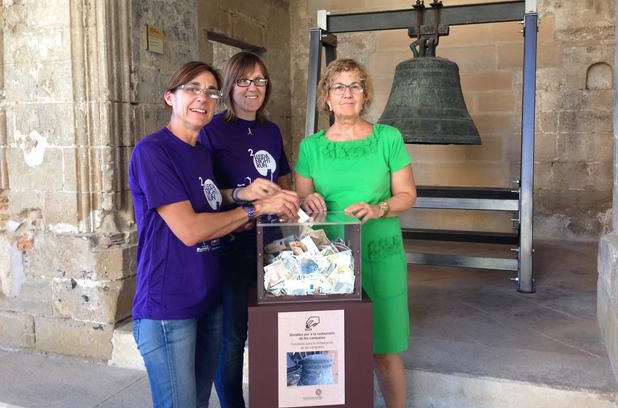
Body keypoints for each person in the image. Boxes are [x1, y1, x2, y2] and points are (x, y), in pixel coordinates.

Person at [128, 61, 298, 408]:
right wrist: (254, 209)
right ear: (170, 97)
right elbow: (190, 230)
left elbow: (208, 198)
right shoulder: (153, 151)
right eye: (192, 89)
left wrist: (242, 194)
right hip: (169, 306)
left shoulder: (200, 153)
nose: (202, 98)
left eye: (210, 92)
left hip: (208, 299)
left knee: (200, 402)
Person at [295, 58, 417, 408]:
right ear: (327, 97)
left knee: (385, 348)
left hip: (380, 253)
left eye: (355, 86)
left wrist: (379, 208)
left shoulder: (388, 138)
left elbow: (407, 194)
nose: (347, 93)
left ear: (365, 94)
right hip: (328, 260)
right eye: (339, 86)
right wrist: (307, 199)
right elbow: (302, 201)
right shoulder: (311, 147)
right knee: (332, 344)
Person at [199, 52, 291, 408]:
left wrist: (290, 202)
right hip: (231, 245)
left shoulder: (272, 131)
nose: (253, 88)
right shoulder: (211, 130)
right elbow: (205, 195)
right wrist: (242, 195)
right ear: (229, 86)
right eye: (243, 81)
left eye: (260, 80)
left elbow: (282, 182)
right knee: (233, 336)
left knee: (272, 327)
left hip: (271, 244)